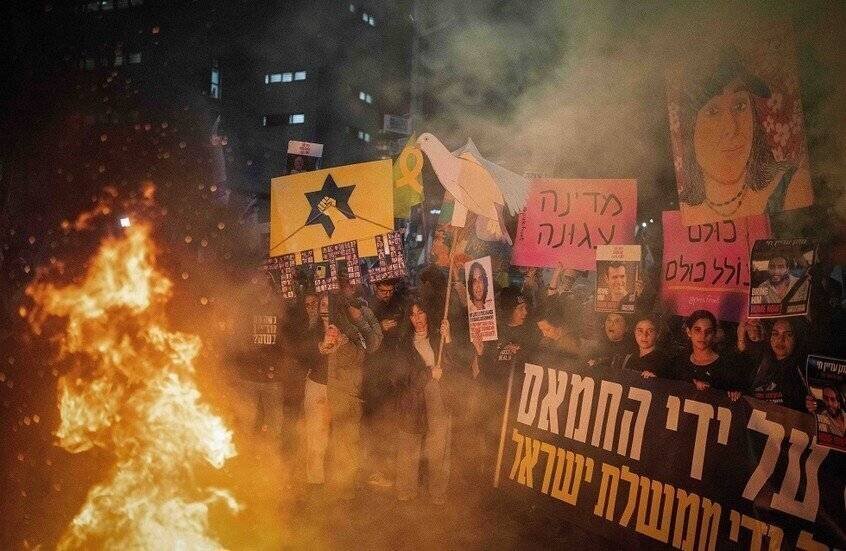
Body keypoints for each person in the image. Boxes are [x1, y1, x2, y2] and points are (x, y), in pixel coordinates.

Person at [675, 49, 812, 223]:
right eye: (713, 111)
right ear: (690, 128)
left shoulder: (792, 186)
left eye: (740, 106)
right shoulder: (682, 212)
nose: (732, 128)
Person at [392, 296, 455, 504]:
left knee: (438, 447)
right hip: (412, 400)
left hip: (437, 397)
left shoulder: (438, 338)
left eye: (420, 312)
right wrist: (429, 374)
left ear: (428, 314)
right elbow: (401, 377)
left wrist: (448, 339)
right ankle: (406, 492)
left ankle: (438, 494)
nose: (417, 317)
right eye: (412, 314)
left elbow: (455, 367)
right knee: (409, 447)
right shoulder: (403, 344)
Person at [324, 296, 382, 499]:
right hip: (342, 396)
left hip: (348, 395)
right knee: (343, 442)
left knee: (346, 442)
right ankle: (341, 486)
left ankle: (344, 485)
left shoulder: (350, 337)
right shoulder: (341, 339)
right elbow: (358, 355)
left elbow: (367, 348)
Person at [670, 310, 744, 401]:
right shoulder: (679, 362)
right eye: (697, 330)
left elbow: (736, 397)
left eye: (708, 331)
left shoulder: (727, 365)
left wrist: (736, 394)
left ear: (714, 334)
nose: (703, 335)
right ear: (689, 332)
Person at [742, 318, 809, 411]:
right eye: (775, 334)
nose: (780, 340)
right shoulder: (760, 362)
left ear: (796, 338)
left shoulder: (803, 370)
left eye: (788, 335)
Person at [621, 312, 671, 379]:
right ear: (634, 332)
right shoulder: (630, 358)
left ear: (657, 334)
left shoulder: (664, 362)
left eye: (650, 331)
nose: (644, 335)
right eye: (640, 331)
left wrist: (657, 381)